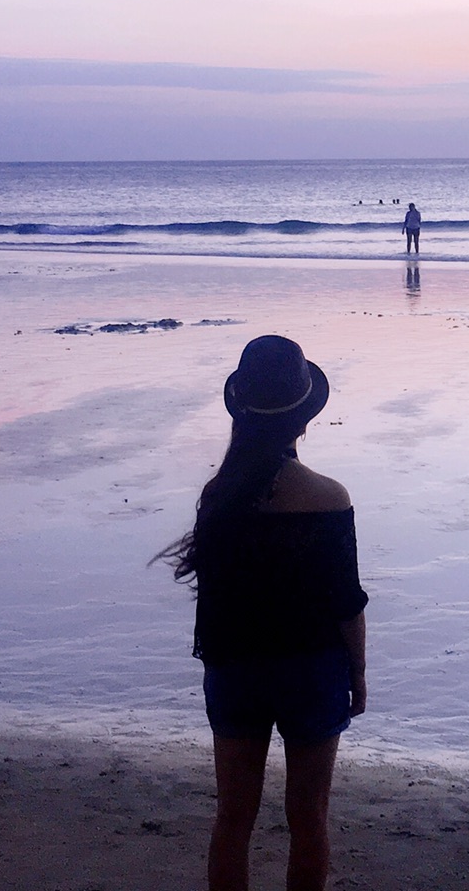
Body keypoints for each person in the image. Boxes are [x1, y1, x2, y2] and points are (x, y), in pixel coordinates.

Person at [153, 335, 368, 891]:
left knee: (233, 817)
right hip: (311, 670)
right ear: (303, 419)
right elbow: (346, 601)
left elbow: (215, 598)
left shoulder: (218, 494)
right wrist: (358, 674)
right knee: (309, 818)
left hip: (235, 668)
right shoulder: (328, 496)